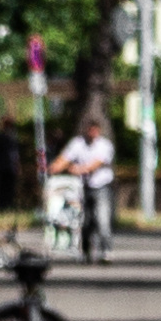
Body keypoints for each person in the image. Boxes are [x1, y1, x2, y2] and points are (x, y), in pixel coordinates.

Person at [48, 111, 120, 260]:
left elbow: (96, 164)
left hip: (102, 186)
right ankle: (86, 250)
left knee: (102, 219)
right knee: (85, 221)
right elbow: (65, 158)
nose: (92, 133)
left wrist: (79, 169)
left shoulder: (104, 145)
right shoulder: (78, 143)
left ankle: (106, 249)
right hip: (84, 187)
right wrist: (53, 167)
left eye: (95, 130)